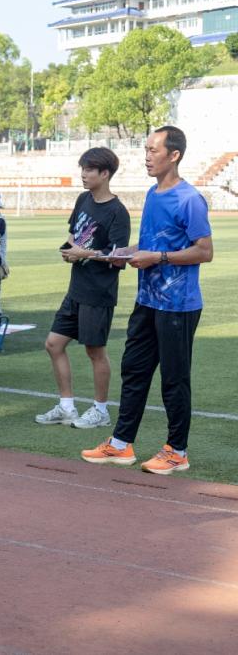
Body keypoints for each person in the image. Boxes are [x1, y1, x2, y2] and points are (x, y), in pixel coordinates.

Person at [82, 126, 213, 474]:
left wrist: (158, 258)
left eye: (154, 150)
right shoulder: (153, 194)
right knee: (134, 371)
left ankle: (177, 451)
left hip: (178, 305)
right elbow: (153, 242)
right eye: (145, 150)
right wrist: (125, 252)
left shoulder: (189, 199)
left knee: (174, 379)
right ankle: (121, 444)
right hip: (148, 301)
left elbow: (204, 251)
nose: (147, 157)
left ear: (174, 155)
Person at [36, 148, 130, 430]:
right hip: (76, 289)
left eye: (89, 170)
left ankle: (100, 410)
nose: (84, 174)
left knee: (95, 352)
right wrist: (69, 250)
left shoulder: (118, 212)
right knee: (53, 344)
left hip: (99, 293)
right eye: (83, 169)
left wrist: (83, 253)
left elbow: (118, 257)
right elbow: (73, 235)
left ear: (105, 173)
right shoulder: (83, 199)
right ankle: (66, 407)